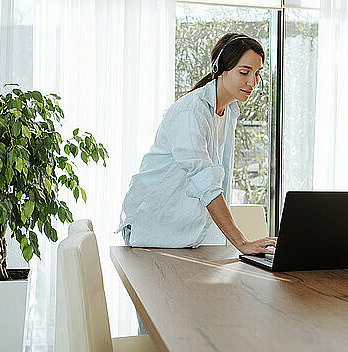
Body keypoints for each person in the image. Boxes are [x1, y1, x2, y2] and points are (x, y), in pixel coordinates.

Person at [117, 33, 277, 256]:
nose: (253, 82)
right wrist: (242, 243)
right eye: (244, 72)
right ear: (220, 69)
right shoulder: (191, 111)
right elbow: (204, 182)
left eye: (257, 73)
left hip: (184, 235)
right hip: (153, 229)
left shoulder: (227, 111)